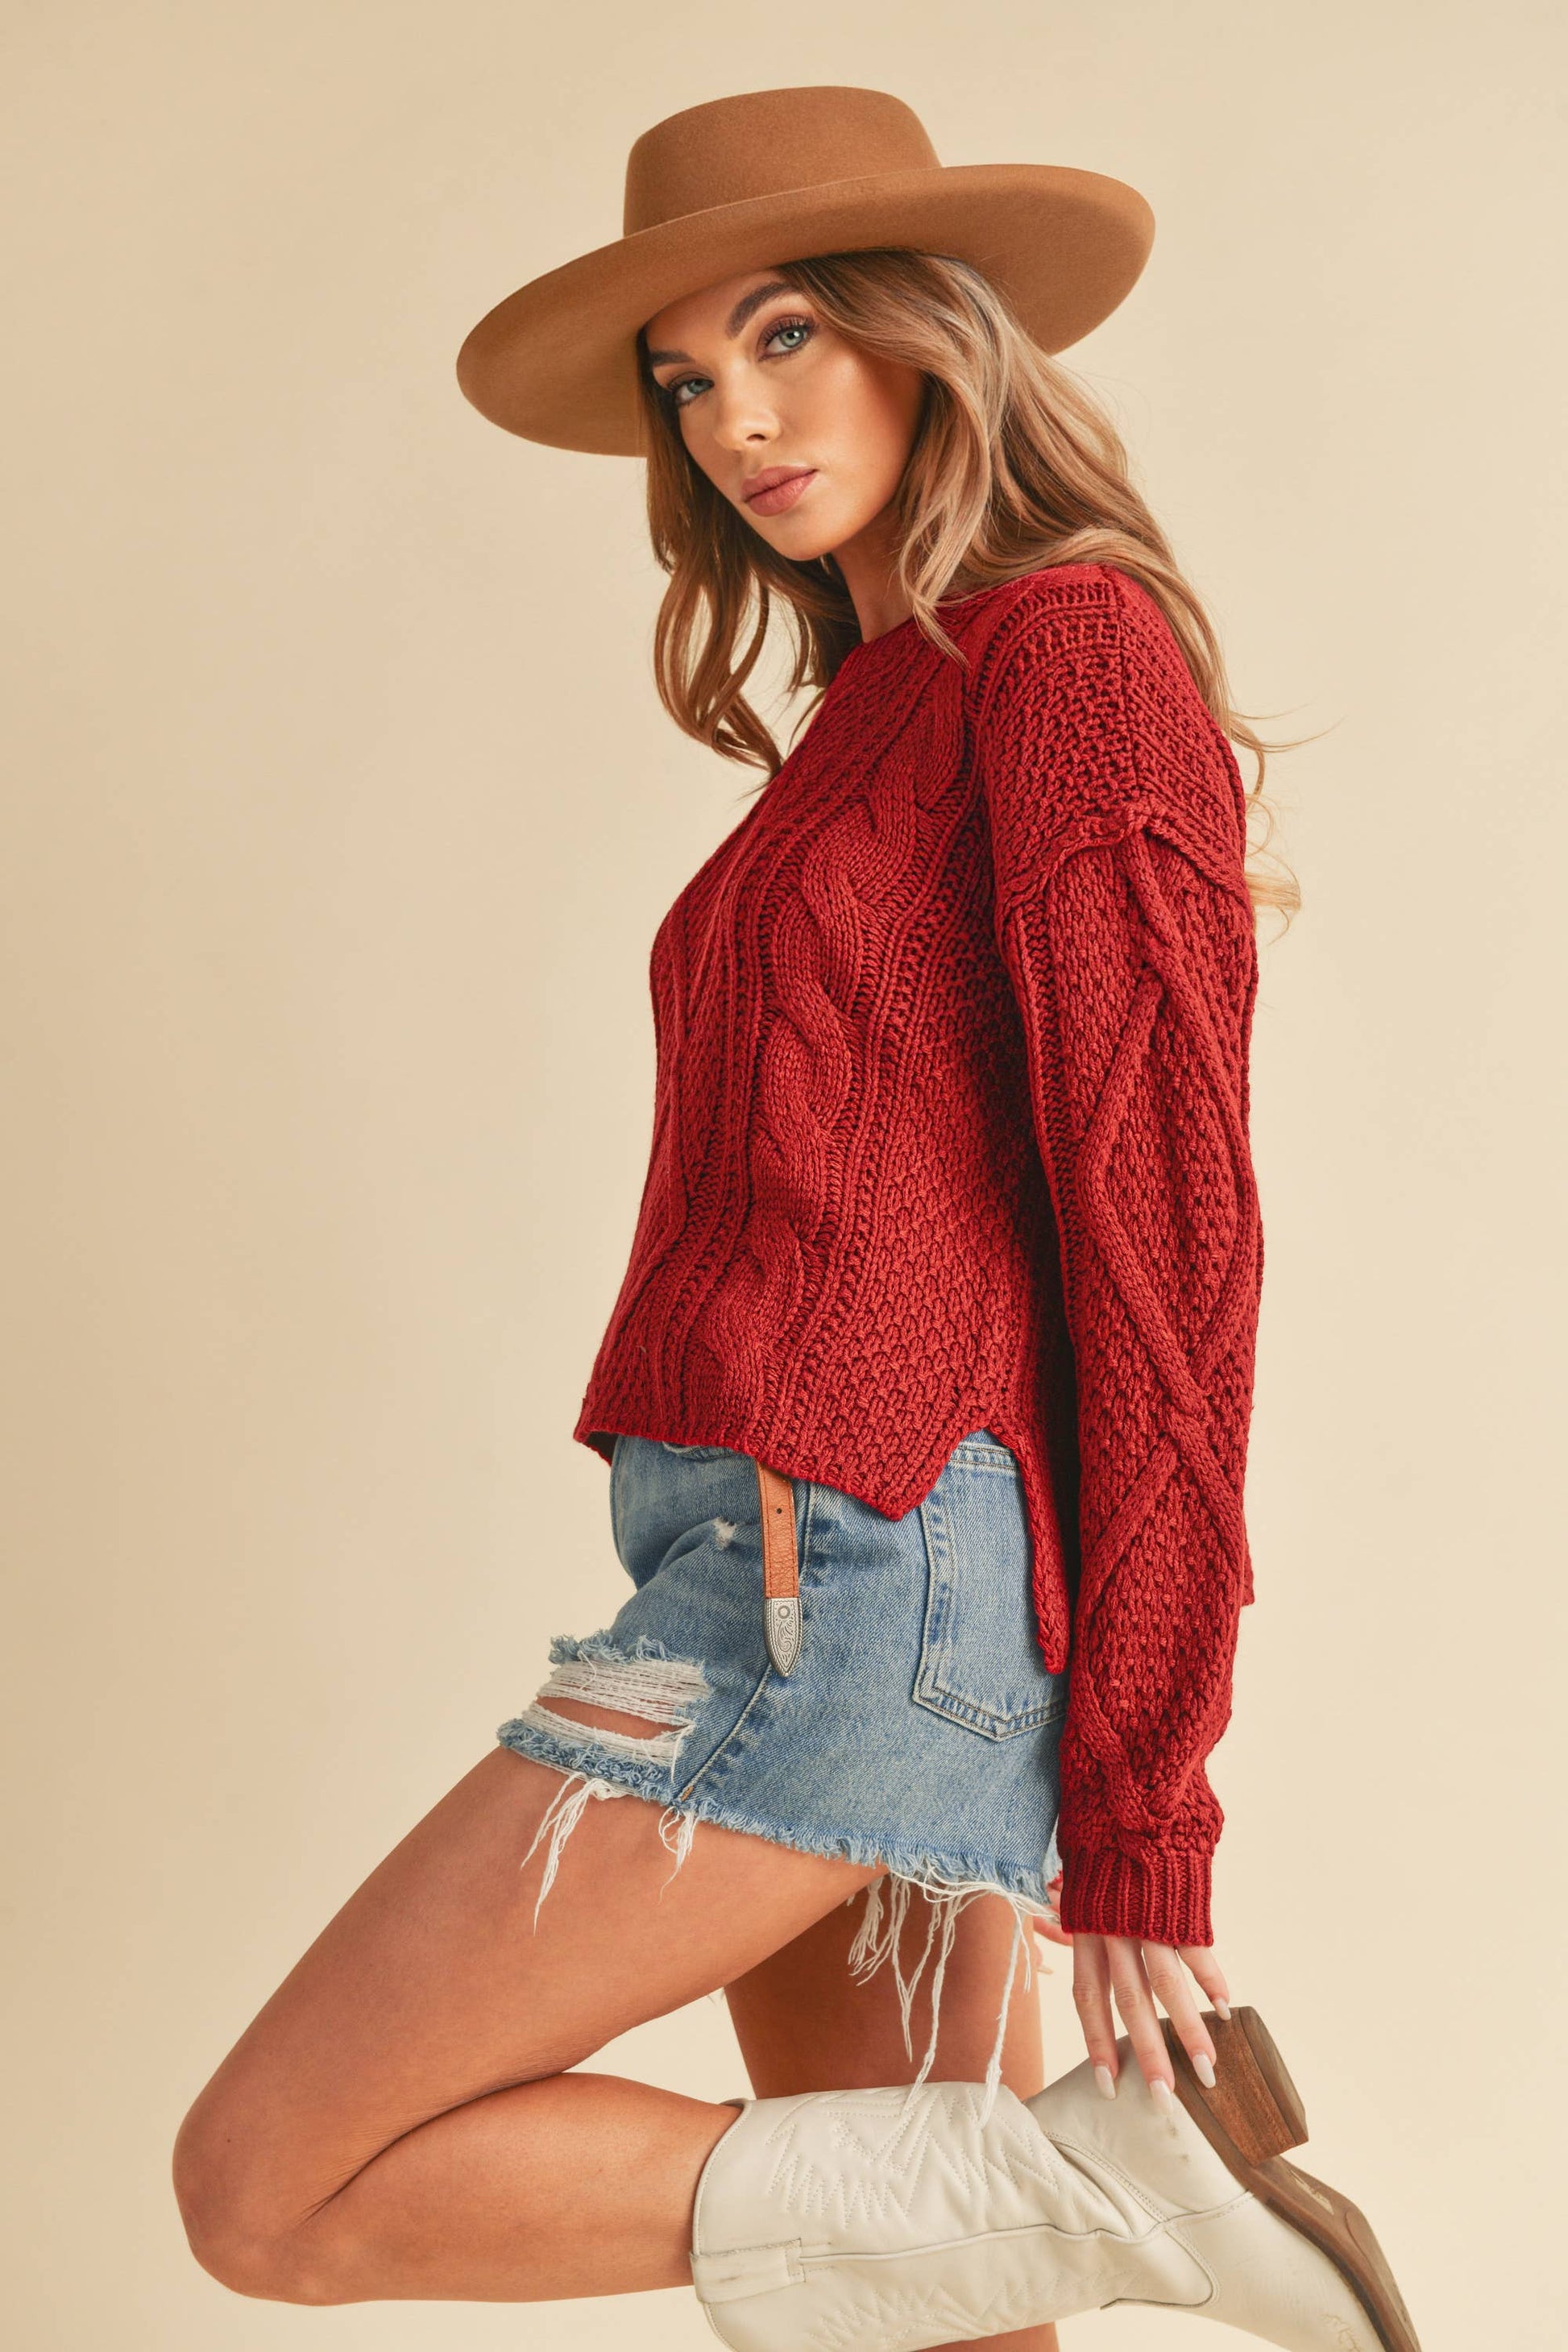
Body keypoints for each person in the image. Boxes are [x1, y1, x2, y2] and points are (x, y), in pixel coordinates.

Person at [171, 86, 1421, 2352]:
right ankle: (1056, 2201)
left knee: (278, 2183)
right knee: (925, 2304)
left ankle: (1083, 2184)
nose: (736, 420)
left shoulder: (1063, 654)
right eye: (685, 382)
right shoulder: (882, 706)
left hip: (847, 1573)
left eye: (784, 337)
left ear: (926, 336)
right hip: (774, 1558)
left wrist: (1143, 1800)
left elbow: (1163, 1245)